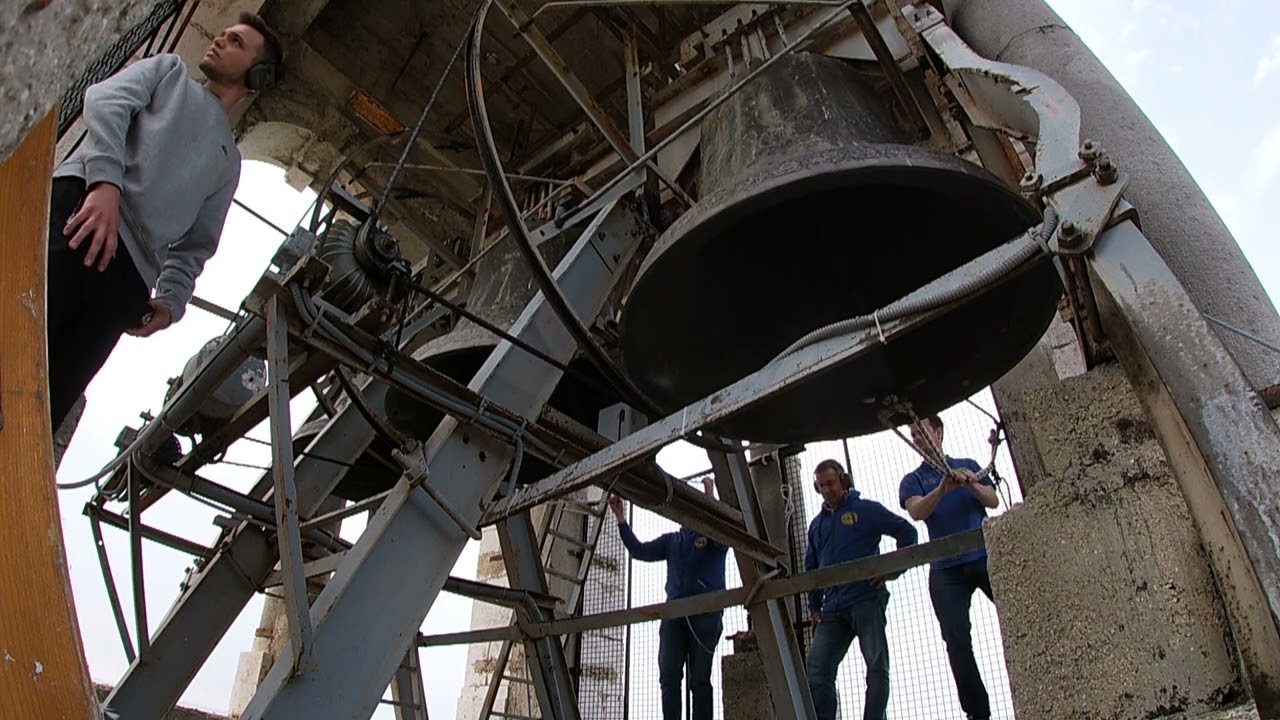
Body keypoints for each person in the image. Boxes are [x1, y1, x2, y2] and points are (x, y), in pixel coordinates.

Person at [45, 12, 283, 431]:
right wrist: (105, 183)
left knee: (46, 401)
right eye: (224, 33)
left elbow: (197, 244)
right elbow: (106, 101)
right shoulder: (169, 72)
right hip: (83, 215)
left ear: (258, 75)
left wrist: (172, 303)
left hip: (125, 279)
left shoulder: (228, 163)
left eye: (236, 42)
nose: (220, 39)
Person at [898, 415, 1000, 720]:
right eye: (913, 435)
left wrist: (970, 484)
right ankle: (978, 713)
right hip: (946, 570)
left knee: (1017, 612)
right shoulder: (913, 480)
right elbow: (917, 511)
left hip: (981, 557)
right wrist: (942, 490)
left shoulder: (967, 463)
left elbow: (992, 500)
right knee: (956, 642)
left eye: (922, 432)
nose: (918, 438)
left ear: (938, 432)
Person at [805, 458, 917, 720]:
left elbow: (908, 533)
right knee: (817, 669)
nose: (826, 490)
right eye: (821, 485)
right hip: (831, 609)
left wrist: (891, 571)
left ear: (843, 481)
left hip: (865, 599)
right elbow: (811, 571)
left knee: (876, 665)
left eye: (830, 483)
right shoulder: (815, 526)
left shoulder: (867, 510)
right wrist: (814, 607)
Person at [608, 477, 728, 720]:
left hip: (705, 613)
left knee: (700, 678)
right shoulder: (672, 540)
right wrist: (621, 520)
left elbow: (720, 536)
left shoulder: (711, 534)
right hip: (674, 615)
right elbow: (639, 550)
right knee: (669, 674)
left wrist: (709, 494)